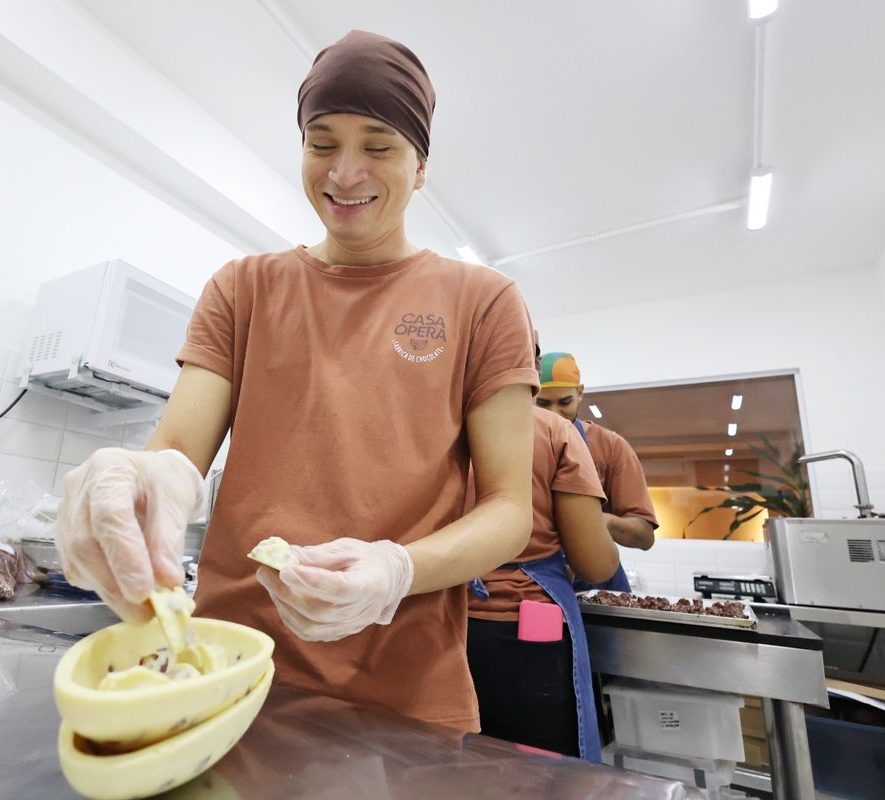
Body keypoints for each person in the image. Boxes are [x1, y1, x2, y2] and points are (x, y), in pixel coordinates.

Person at [55, 30, 539, 733]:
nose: (344, 173)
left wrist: (393, 571)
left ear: (421, 166)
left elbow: (507, 510)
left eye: (377, 146)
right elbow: (177, 452)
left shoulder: (482, 300)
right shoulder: (244, 288)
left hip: (402, 693)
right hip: (225, 672)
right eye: (321, 143)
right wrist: (139, 480)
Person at [465, 345, 618, 759]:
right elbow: (596, 563)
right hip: (529, 627)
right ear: (531, 368)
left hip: (439, 625)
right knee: (541, 771)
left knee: (459, 766)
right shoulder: (552, 430)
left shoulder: (429, 427)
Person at [536, 352, 658, 591]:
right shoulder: (517, 448)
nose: (554, 415)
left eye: (564, 403)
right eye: (542, 404)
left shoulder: (611, 447)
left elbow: (644, 537)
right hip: (540, 582)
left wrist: (594, 522)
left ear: (580, 393)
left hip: (599, 586)